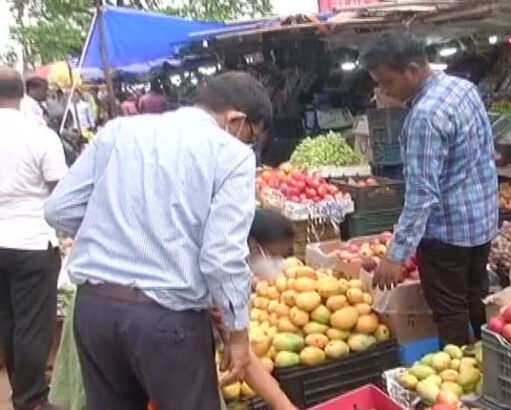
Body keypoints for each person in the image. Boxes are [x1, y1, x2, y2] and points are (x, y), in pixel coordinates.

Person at [44, 71, 272, 410]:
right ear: (237, 119)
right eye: (250, 136)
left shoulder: (119, 131)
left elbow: (59, 208)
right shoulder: (231, 155)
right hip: (167, 321)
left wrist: (115, 233)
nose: (248, 144)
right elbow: (222, 255)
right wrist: (238, 334)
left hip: (95, 309)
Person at [49, 209, 297, 410]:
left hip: (111, 311)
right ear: (252, 245)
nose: (277, 264)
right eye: (274, 255)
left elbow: (239, 351)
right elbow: (240, 350)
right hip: (129, 320)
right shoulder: (215, 268)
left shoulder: (221, 265)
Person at [360, 31, 498, 346]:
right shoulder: (463, 88)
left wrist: (396, 255)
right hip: (481, 224)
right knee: (478, 299)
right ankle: (490, 366)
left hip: (446, 234)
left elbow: (422, 196)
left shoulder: (425, 116)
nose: (383, 90)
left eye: (387, 81)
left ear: (412, 69)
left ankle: (455, 376)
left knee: (449, 313)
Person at [0, 67, 68, 410]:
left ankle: (20, 390)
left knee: (7, 321)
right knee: (32, 325)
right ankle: (31, 399)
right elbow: (61, 190)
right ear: (22, 94)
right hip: (31, 240)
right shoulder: (39, 135)